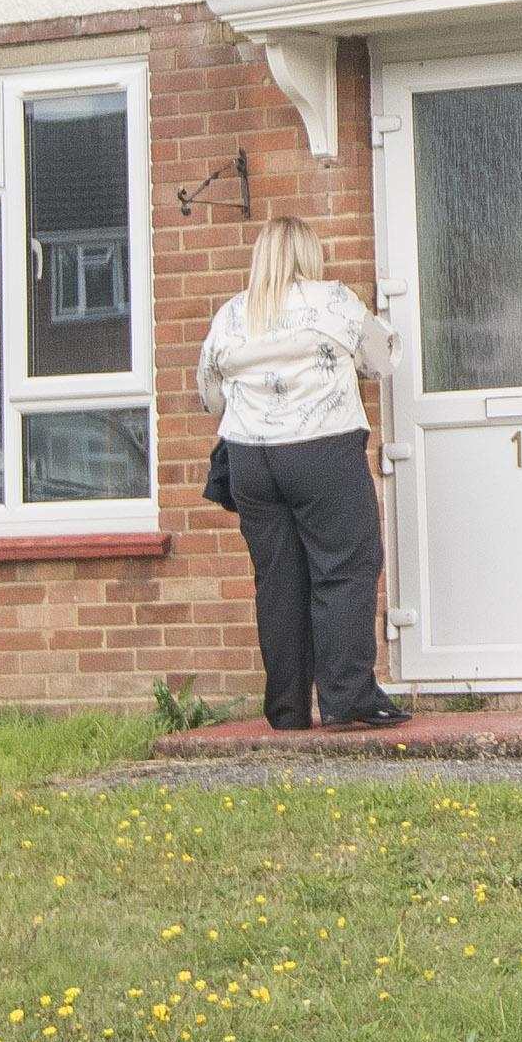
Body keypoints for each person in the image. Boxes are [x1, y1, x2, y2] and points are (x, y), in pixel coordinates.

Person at [197, 216, 404, 733]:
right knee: (345, 568)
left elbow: (210, 395)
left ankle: (287, 710)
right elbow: (383, 359)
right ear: (308, 254)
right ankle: (348, 696)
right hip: (322, 450)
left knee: (278, 581)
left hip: (251, 461)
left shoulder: (232, 313)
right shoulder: (331, 299)